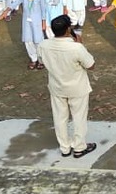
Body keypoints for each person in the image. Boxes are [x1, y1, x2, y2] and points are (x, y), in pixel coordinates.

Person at [37, 15, 97, 158]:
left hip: (57, 86)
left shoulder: (43, 45)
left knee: (59, 118)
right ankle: (79, 147)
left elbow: (41, 61)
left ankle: (64, 148)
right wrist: (81, 44)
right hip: (77, 87)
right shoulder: (76, 48)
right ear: (68, 29)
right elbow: (91, 65)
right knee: (79, 118)